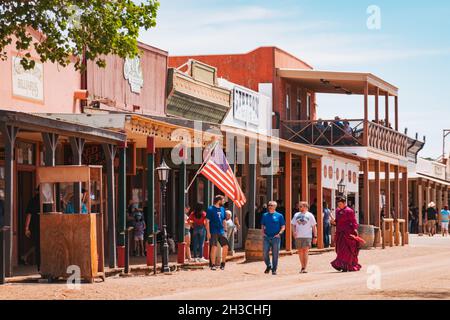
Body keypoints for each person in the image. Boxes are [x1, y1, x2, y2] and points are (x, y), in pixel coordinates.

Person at [330, 196, 362, 272]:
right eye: (338, 204)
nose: (339, 205)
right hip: (339, 233)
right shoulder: (337, 211)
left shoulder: (349, 211)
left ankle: (348, 265)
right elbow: (337, 221)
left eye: (340, 204)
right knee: (340, 250)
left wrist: (355, 230)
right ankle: (342, 265)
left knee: (348, 250)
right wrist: (333, 221)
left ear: (344, 203)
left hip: (348, 233)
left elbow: (354, 222)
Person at [291, 202, 317, 273]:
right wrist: (294, 232)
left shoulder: (310, 215)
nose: (299, 208)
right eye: (299, 206)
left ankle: (304, 268)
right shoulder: (296, 215)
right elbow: (293, 225)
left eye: (301, 206)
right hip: (298, 236)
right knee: (300, 251)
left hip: (307, 236)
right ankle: (302, 266)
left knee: (305, 251)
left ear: (306, 207)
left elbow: (314, 226)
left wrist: (315, 236)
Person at [261, 201, 286, 275]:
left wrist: (280, 233)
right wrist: (262, 232)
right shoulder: (265, 215)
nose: (269, 206)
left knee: (275, 254)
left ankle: (274, 269)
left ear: (275, 206)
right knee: (265, 253)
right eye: (269, 205)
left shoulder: (279, 216)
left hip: (276, 237)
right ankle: (268, 265)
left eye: (271, 205)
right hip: (266, 237)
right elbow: (262, 225)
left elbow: (283, 226)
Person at [206, 195, 229, 270]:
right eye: (223, 200)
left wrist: (225, 230)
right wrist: (208, 232)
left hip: (221, 231)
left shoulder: (223, 209)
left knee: (225, 246)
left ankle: (223, 263)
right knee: (214, 247)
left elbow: (224, 220)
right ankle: (212, 265)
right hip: (213, 231)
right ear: (219, 201)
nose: (224, 202)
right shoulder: (210, 209)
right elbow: (207, 222)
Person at [24, 188, 41, 271]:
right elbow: (29, 214)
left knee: (37, 246)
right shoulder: (34, 201)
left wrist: (27, 228)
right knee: (38, 245)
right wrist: (26, 228)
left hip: (36, 226)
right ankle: (40, 266)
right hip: (37, 227)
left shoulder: (33, 200)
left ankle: (40, 266)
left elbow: (29, 215)